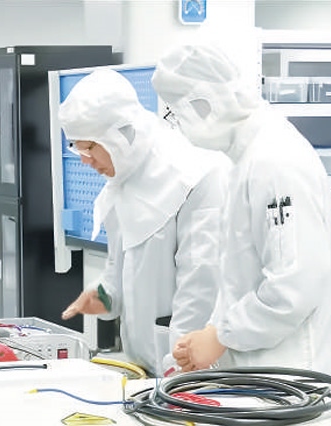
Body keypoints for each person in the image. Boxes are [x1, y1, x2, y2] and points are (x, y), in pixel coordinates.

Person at [151, 40, 331, 385]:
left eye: (175, 114)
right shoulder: (244, 159)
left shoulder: (273, 160)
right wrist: (212, 334)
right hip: (269, 374)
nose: (178, 125)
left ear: (203, 105)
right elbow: (242, 279)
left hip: (299, 378)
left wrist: (221, 336)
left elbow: (294, 286)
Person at [58, 67, 232, 376]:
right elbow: (122, 262)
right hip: (145, 367)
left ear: (120, 136)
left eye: (88, 147)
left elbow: (202, 285)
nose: (83, 160)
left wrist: (180, 370)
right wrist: (105, 295)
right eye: (76, 147)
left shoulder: (195, 177)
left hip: (190, 372)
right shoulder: (124, 178)